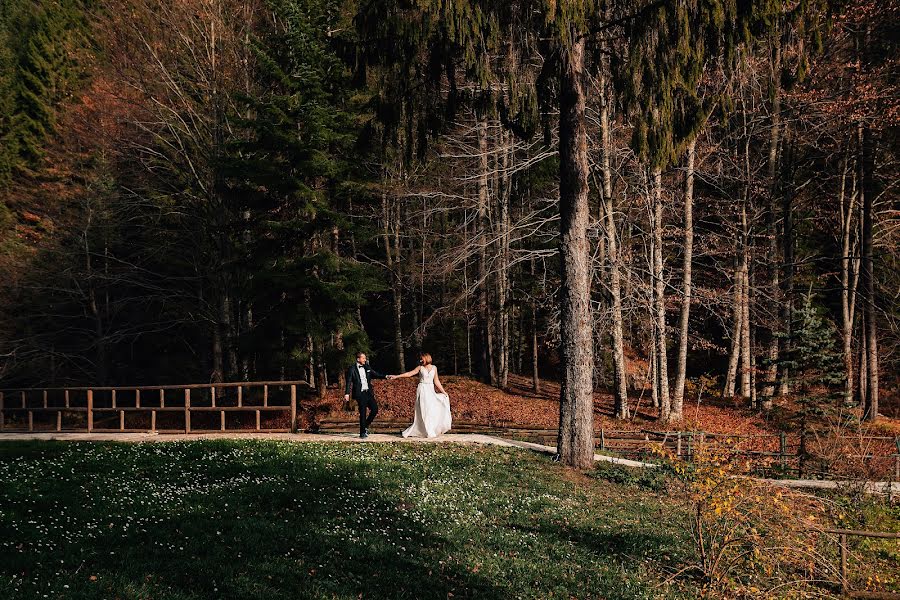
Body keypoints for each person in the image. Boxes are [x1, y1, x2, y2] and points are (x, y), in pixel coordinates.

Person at [388, 352, 452, 438]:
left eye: (422, 358)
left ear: (427, 358)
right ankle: (427, 431)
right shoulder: (420, 368)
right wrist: (396, 376)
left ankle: (430, 429)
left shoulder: (434, 368)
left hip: (430, 390)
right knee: (423, 410)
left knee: (431, 409)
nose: (420, 360)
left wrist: (443, 391)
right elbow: (409, 374)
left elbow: (436, 381)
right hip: (422, 389)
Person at [344, 352, 387, 439]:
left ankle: (365, 425)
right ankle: (362, 432)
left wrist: (385, 376)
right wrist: (347, 393)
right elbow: (348, 382)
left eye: (365, 358)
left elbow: (375, 374)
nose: (365, 359)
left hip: (368, 392)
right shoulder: (352, 369)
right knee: (363, 412)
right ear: (358, 359)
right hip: (360, 393)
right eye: (363, 358)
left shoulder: (367, 367)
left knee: (375, 409)